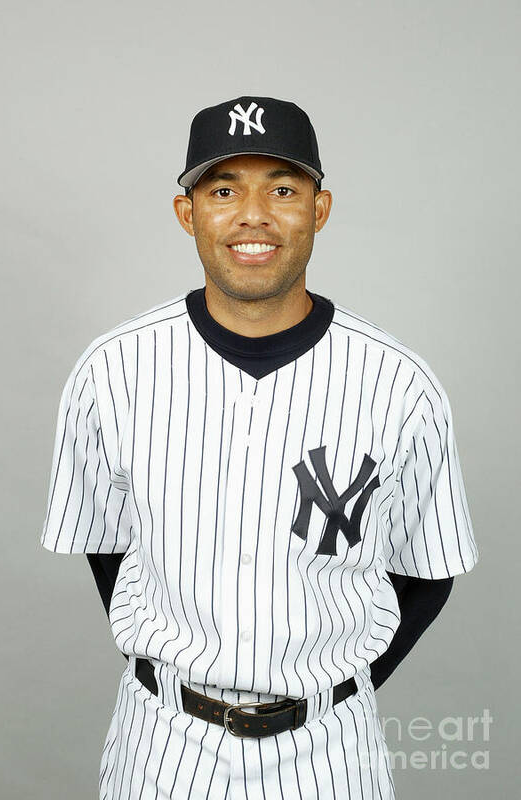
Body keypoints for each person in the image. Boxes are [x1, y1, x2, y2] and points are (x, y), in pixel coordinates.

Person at [41, 95, 479, 800]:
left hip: (332, 752)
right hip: (161, 747)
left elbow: (428, 573)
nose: (253, 215)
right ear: (188, 214)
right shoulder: (112, 371)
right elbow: (108, 547)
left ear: (320, 208)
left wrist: (330, 687)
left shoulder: (400, 384)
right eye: (223, 189)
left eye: (282, 188)